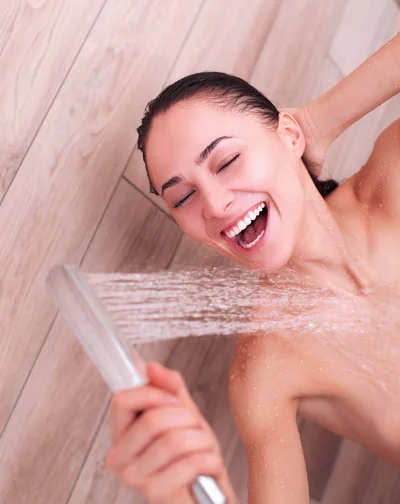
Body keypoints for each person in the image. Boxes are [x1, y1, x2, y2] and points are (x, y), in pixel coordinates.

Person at [105, 31, 400, 503]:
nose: (216, 204)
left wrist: (318, 120)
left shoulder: (393, 177)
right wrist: (182, 494)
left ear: (287, 136)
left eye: (227, 161)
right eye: (182, 197)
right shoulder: (266, 370)